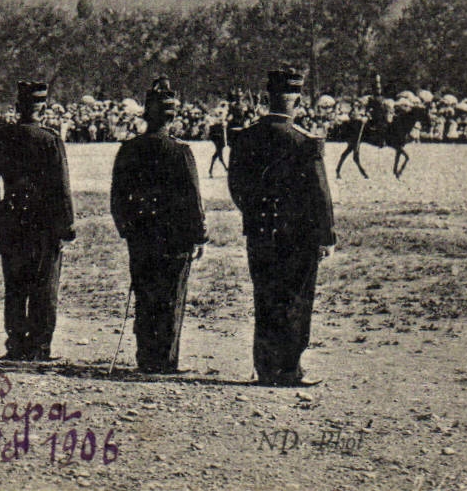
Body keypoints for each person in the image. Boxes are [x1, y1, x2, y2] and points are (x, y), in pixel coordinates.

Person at [227, 67, 335, 387]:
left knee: (265, 297)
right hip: (298, 235)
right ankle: (288, 369)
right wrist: (326, 235)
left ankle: (265, 367)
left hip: (259, 231)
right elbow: (320, 194)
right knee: (296, 299)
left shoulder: (245, 138)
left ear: (265, 99)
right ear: (298, 102)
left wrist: (256, 213)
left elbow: (236, 186)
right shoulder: (305, 142)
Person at [110, 77, 207, 374]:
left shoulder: (128, 149)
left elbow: (117, 198)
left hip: (140, 236)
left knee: (145, 294)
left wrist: (126, 229)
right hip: (174, 239)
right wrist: (199, 236)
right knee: (170, 298)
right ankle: (164, 359)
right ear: (172, 117)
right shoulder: (180, 151)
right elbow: (193, 198)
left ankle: (145, 357)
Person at [0, 80, 76, 361]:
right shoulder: (50, 139)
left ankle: (15, 343)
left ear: (18, 108)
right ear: (42, 109)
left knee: (15, 286)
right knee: (44, 287)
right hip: (44, 224)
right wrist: (67, 225)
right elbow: (62, 187)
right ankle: (38, 346)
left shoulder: (1, 137)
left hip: (12, 221)